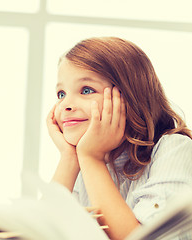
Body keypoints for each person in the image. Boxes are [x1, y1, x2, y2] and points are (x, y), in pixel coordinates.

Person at [46, 36, 192, 240]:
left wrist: (91, 159)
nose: (65, 105)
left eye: (86, 90)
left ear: (130, 97)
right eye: (61, 94)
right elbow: (38, 232)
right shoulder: (84, 164)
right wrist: (69, 158)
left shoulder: (175, 148)